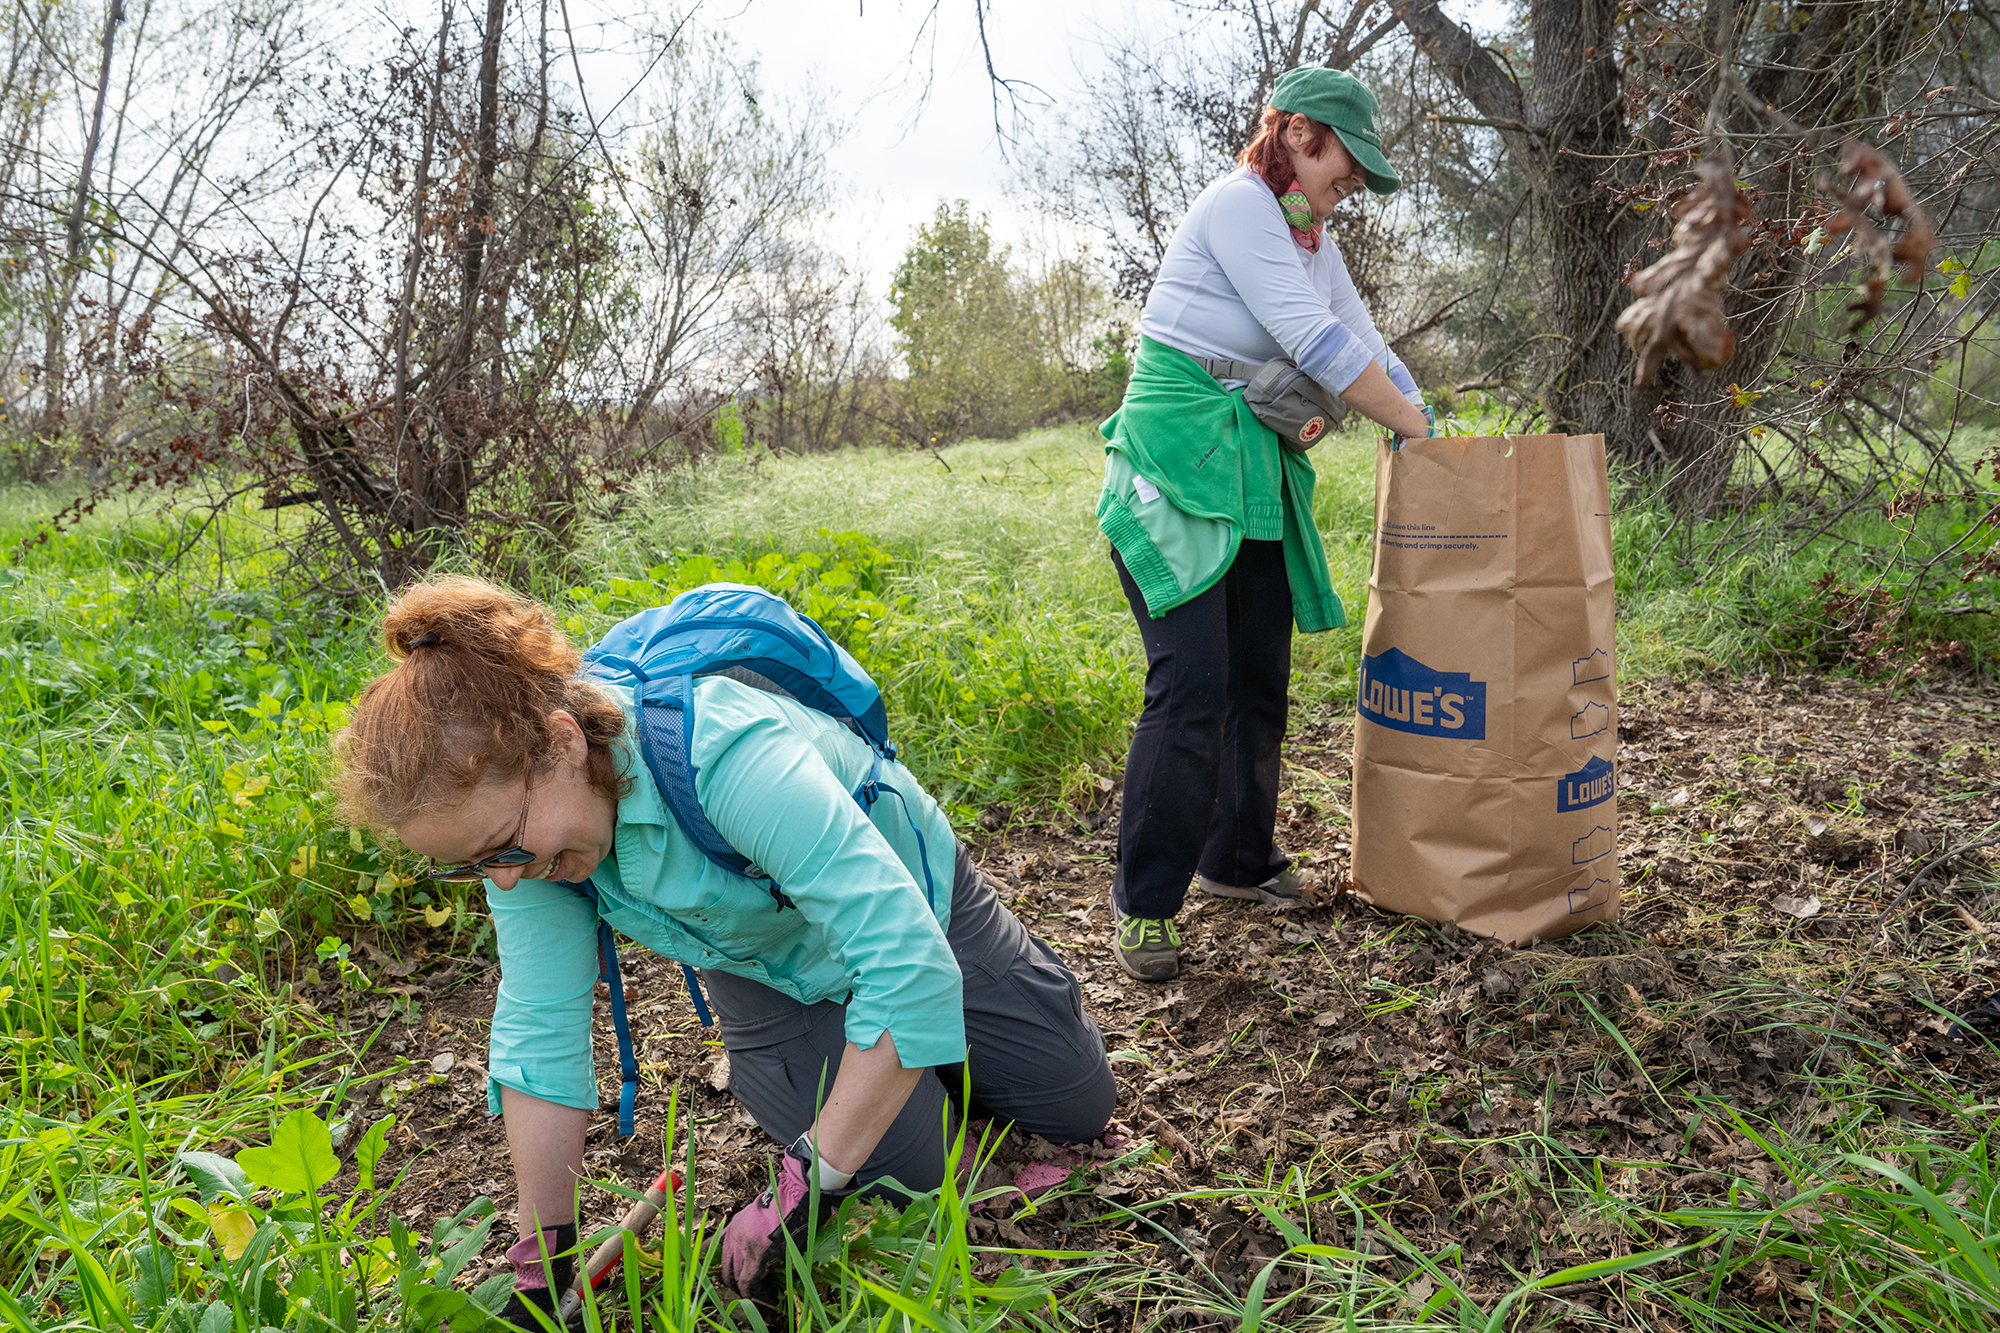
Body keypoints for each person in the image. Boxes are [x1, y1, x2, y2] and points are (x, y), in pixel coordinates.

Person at [331, 577, 1115, 1324]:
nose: (504, 879)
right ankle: (910, 1072)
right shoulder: (529, 852)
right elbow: (540, 1033)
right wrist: (545, 1255)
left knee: (1077, 1104)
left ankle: (939, 1051)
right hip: (772, 968)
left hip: (921, 910)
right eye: (472, 863)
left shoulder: (720, 753)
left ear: (565, 742)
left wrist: (807, 1182)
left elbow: (906, 960)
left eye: (502, 845)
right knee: (915, 1183)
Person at [1098, 66, 1432, 983]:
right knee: (1193, 683)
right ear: (1297, 135)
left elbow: (1358, 332)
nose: (1351, 182)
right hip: (1175, 460)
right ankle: (1144, 902)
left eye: (1362, 172)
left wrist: (1425, 411)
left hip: (1248, 467)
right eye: (1345, 162)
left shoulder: (1310, 236)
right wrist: (1405, 425)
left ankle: (1236, 862)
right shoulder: (1240, 206)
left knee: (1257, 676)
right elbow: (1313, 343)